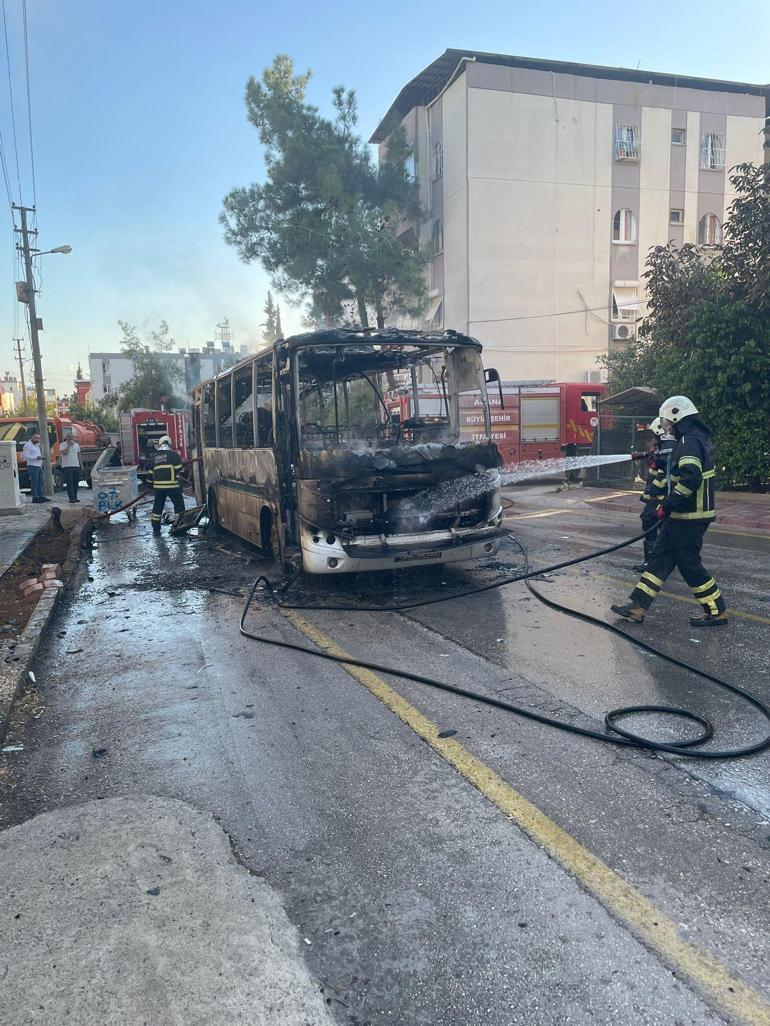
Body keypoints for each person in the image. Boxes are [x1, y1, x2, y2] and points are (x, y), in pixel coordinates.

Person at [612, 396, 727, 627]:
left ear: (677, 418)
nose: (668, 428)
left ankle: (717, 611)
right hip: (683, 515)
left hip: (690, 516)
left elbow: (690, 478)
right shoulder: (695, 439)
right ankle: (638, 606)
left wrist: (668, 505)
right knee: (660, 558)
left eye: (669, 423)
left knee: (689, 564)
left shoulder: (689, 442)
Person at [632, 417, 677, 573]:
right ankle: (658, 560)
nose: (652, 438)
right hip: (659, 497)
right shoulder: (664, 446)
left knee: (650, 522)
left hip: (661, 497)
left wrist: (653, 491)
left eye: (654, 434)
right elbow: (656, 465)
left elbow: (665, 473)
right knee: (659, 527)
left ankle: (652, 562)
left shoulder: (668, 446)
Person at [149, 435, 186, 535]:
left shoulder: (154, 457)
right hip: (172, 486)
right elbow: (179, 468)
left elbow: (150, 473)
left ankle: (156, 528)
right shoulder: (173, 455)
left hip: (159, 488)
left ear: (160, 444)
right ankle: (179, 525)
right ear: (169, 444)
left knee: (157, 507)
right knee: (179, 506)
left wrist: (149, 485)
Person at [22, 431, 49, 503]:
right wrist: (36, 457)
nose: (37, 440)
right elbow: (24, 456)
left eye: (38, 438)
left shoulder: (37, 445)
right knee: (35, 482)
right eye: (36, 438)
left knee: (41, 481)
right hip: (32, 466)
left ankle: (41, 496)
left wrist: (41, 458)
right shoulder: (27, 445)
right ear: (31, 438)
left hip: (38, 465)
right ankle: (35, 497)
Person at [59, 431, 82, 503]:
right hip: (67, 466)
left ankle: (75, 497)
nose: (71, 438)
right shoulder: (62, 444)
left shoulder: (77, 445)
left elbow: (79, 455)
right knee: (69, 482)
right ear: (66, 438)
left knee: (76, 482)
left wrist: (81, 464)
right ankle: (71, 498)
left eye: (72, 437)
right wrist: (69, 445)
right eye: (69, 437)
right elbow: (64, 452)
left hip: (76, 465)